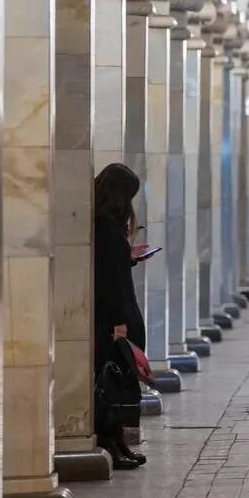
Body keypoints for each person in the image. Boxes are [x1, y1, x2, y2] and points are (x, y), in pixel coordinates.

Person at [93, 163, 148, 470]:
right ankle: (109, 442)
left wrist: (128, 258)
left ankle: (116, 441)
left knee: (116, 381)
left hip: (117, 312)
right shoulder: (107, 229)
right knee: (111, 382)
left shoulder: (107, 227)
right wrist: (119, 323)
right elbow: (109, 280)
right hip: (115, 316)